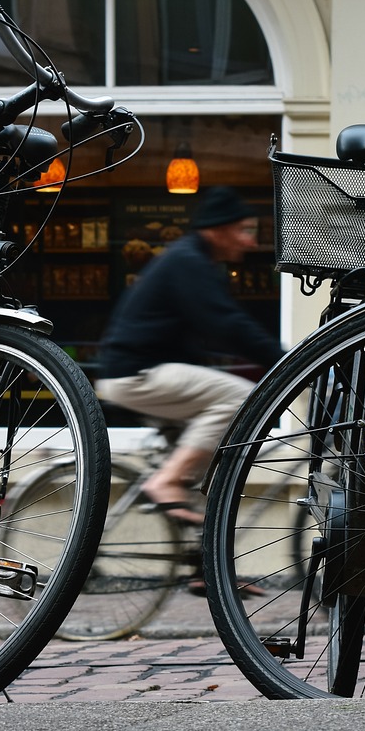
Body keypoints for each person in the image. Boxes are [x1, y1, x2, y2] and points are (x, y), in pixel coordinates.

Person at [95, 186, 285, 527]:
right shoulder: (189, 261)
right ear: (218, 228)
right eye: (244, 231)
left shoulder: (191, 259)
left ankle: (202, 572)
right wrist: (287, 362)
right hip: (139, 374)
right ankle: (166, 482)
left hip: (135, 371)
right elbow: (227, 323)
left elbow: (209, 329)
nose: (250, 242)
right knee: (239, 397)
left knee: (204, 465)